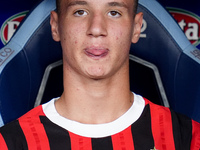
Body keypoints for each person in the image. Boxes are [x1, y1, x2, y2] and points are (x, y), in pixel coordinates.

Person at [0, 0, 200, 149]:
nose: (96, 29)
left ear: (136, 27)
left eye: (113, 12)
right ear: (56, 25)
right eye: (80, 12)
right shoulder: (10, 143)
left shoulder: (187, 138)